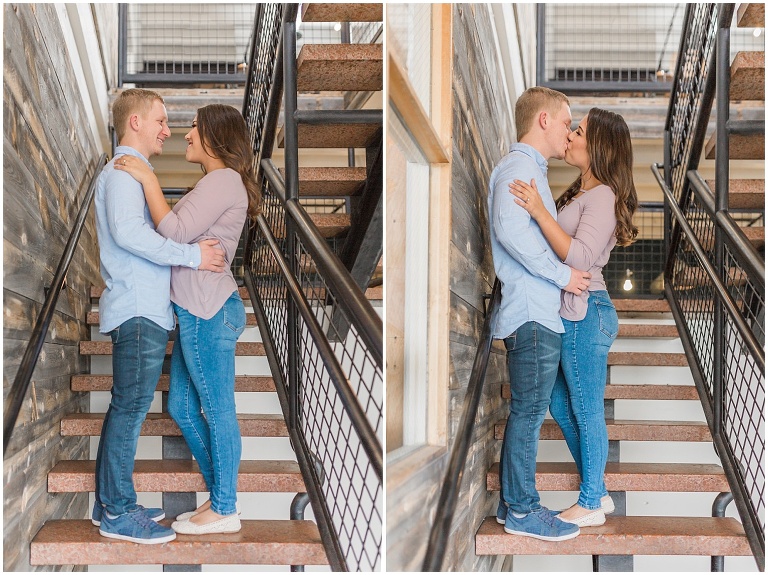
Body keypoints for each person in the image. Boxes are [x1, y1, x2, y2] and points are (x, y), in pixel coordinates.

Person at [115, 103, 260, 535]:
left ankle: (225, 506)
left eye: (194, 127)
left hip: (209, 311)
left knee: (217, 410)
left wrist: (147, 177)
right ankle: (221, 500)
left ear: (215, 135)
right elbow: (183, 234)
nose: (185, 134)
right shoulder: (217, 182)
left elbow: (174, 231)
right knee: (180, 404)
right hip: (197, 312)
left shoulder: (224, 179)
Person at [94, 89, 228, 544]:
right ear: (135, 122)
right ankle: (117, 511)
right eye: (161, 121)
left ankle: (108, 502)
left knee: (126, 409)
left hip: (144, 312)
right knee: (129, 410)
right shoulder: (122, 173)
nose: (168, 131)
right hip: (137, 312)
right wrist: (191, 257)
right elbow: (130, 233)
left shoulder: (135, 174)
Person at [508, 107, 638, 527]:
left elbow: (580, 257)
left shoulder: (603, 195)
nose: (570, 136)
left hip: (588, 311)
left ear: (596, 144)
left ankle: (590, 502)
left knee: (584, 409)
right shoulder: (582, 192)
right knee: (561, 405)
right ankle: (597, 492)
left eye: (578, 130)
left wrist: (538, 212)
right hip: (573, 312)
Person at [488, 86, 591, 542]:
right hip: (531, 312)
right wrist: (563, 275)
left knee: (529, 412)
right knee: (529, 412)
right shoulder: (519, 168)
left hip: (537, 312)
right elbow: (513, 232)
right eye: (567, 121)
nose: (569, 131)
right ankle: (524, 512)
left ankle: (517, 504)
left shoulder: (533, 172)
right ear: (544, 120)